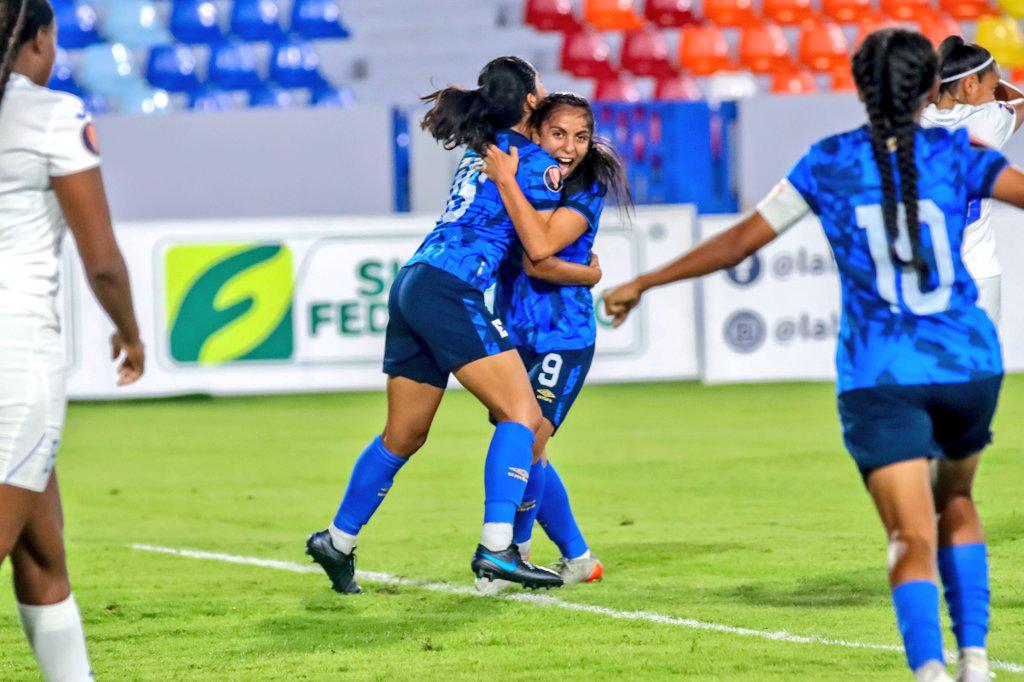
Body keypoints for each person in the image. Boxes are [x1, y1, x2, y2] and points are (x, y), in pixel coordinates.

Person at [604, 29, 1024, 682]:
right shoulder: (960, 148)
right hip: (967, 362)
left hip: (882, 370)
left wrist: (642, 281)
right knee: (959, 503)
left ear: (860, 89)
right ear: (926, 91)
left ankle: (932, 672)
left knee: (910, 534)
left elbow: (741, 242)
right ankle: (975, 660)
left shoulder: (827, 160)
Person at [306, 57, 585, 593]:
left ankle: (336, 541)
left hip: (413, 281)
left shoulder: (484, 151)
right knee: (522, 416)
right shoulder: (533, 164)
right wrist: (591, 270)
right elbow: (540, 248)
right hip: (450, 289)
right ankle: (497, 547)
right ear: (530, 101)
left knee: (403, 434)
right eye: (541, 86)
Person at [0, 0, 145, 679]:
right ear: (41, 37)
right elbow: (103, 260)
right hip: (15, 357)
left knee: (41, 550)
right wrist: (129, 334)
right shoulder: (51, 113)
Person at [475, 92, 631, 591]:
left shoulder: (587, 187)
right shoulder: (521, 175)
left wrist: (584, 278)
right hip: (512, 329)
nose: (569, 147)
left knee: (533, 437)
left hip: (562, 334)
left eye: (581, 136)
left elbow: (537, 254)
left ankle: (512, 553)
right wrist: (587, 273)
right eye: (558, 134)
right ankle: (579, 557)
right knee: (528, 451)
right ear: (537, 133)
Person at [920, 35, 1024, 324]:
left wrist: (946, 77)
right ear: (970, 84)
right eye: (991, 85)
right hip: (979, 269)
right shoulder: (988, 121)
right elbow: (1020, 102)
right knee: (981, 365)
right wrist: (990, 79)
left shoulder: (916, 123)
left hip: (927, 273)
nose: (993, 93)